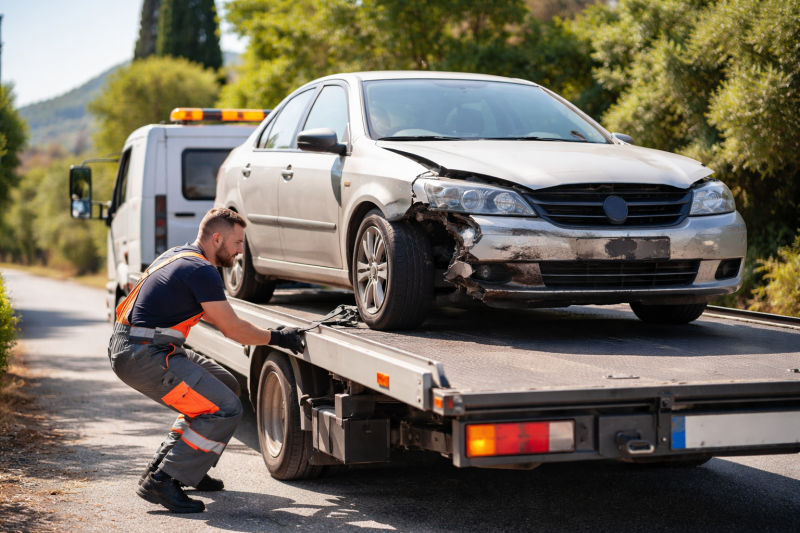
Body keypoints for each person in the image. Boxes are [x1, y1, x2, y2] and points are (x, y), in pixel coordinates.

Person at [108, 208, 304, 513]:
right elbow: (232, 329)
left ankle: (183, 468)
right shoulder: (201, 270)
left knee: (224, 384)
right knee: (225, 408)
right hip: (143, 353)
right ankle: (164, 479)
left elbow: (220, 318)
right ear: (216, 239)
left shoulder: (180, 255)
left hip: (143, 346)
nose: (241, 250)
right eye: (237, 242)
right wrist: (278, 338)